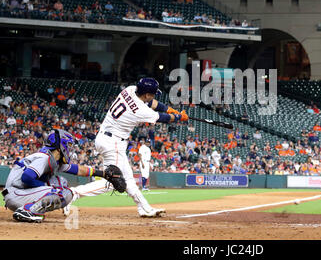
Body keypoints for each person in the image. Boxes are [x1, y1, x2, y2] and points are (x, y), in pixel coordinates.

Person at [64, 78, 188, 218]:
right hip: (113, 142)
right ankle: (72, 194)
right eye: (152, 94)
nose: (153, 96)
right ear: (146, 94)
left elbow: (152, 103)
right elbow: (162, 118)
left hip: (106, 137)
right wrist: (178, 117)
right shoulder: (141, 110)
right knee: (114, 181)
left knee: (128, 178)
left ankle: (144, 208)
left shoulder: (129, 89)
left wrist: (168, 109)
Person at [2, 129, 109, 223]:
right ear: (60, 147)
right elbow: (27, 177)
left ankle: (29, 209)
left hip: (19, 192)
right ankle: (27, 211)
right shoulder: (44, 158)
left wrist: (103, 174)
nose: (70, 149)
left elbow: (77, 170)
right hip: (16, 193)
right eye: (68, 145)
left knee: (61, 182)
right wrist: (44, 186)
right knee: (63, 193)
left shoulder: (53, 160)